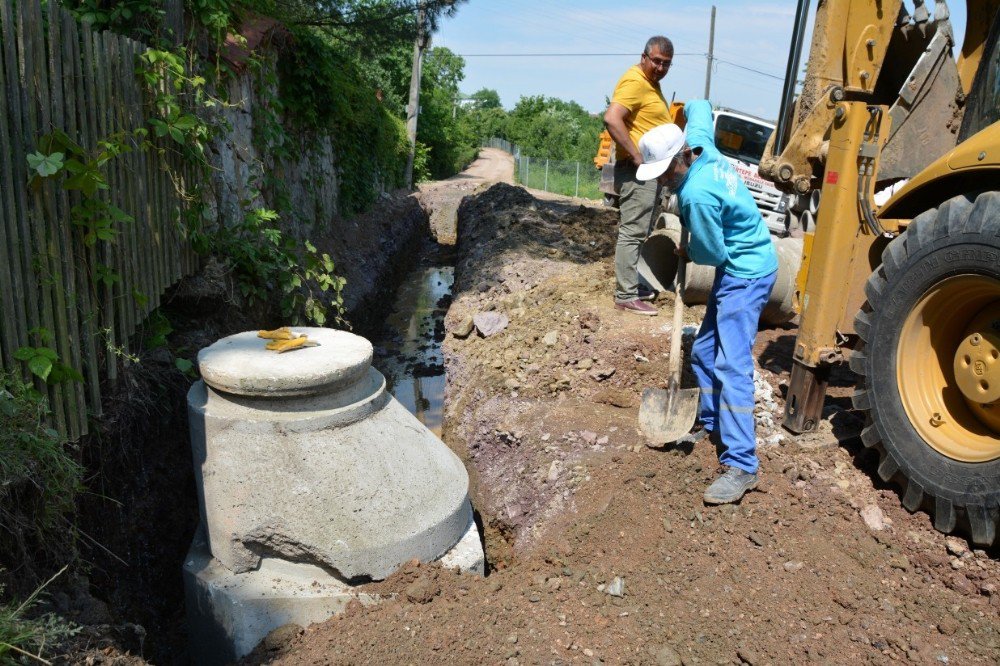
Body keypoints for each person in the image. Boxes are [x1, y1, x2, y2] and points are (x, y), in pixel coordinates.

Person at [635, 100, 778, 504]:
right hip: (745, 265)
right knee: (703, 350)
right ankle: (712, 422)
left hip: (745, 275)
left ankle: (742, 464)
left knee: (731, 363)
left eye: (663, 174)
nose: (661, 182)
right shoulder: (702, 146)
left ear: (680, 158)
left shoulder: (695, 195)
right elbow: (700, 107)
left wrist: (689, 249)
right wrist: (679, 112)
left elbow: (713, 255)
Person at [603, 36, 675, 316]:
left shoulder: (651, 84)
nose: (660, 67)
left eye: (666, 64)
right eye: (656, 61)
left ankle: (630, 284)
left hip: (647, 172)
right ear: (643, 56)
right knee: (632, 232)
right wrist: (636, 156)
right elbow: (612, 118)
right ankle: (626, 295)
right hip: (637, 172)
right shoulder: (635, 81)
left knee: (639, 231)